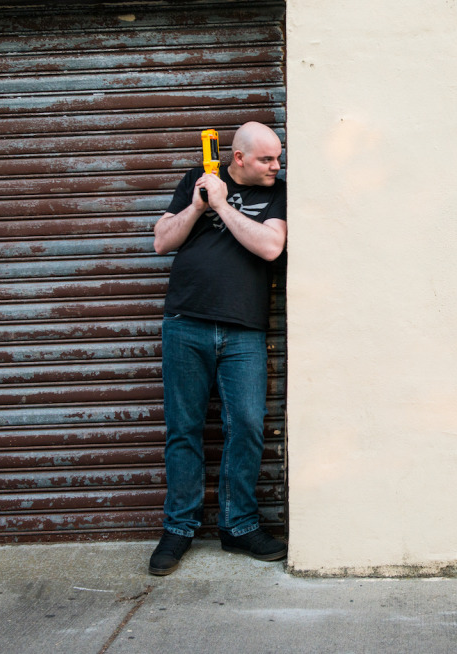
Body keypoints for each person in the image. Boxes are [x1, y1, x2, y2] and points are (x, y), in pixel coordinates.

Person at [147, 121, 289, 576]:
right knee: (183, 430)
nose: (276, 165)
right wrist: (196, 206)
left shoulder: (278, 193)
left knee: (246, 425)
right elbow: (161, 241)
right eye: (267, 159)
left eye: (278, 157)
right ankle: (179, 528)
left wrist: (223, 207)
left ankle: (239, 525)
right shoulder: (196, 180)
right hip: (185, 324)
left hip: (244, 331)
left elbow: (271, 247)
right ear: (239, 157)